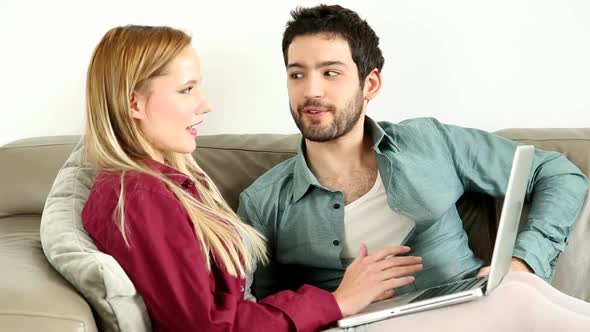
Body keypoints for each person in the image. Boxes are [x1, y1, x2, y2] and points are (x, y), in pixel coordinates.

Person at [236, 5, 590, 330]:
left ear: (370, 84)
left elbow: (557, 174)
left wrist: (524, 261)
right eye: (297, 75)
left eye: (331, 73)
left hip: (473, 311)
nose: (312, 91)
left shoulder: (430, 142)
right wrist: (337, 302)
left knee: (519, 292)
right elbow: (262, 313)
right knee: (520, 299)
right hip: (361, 325)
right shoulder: (264, 202)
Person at [80, 25, 426, 332]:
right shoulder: (141, 196)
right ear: (135, 104)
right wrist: (337, 302)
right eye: (186, 90)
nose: (205, 105)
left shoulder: (163, 183)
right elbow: (208, 327)